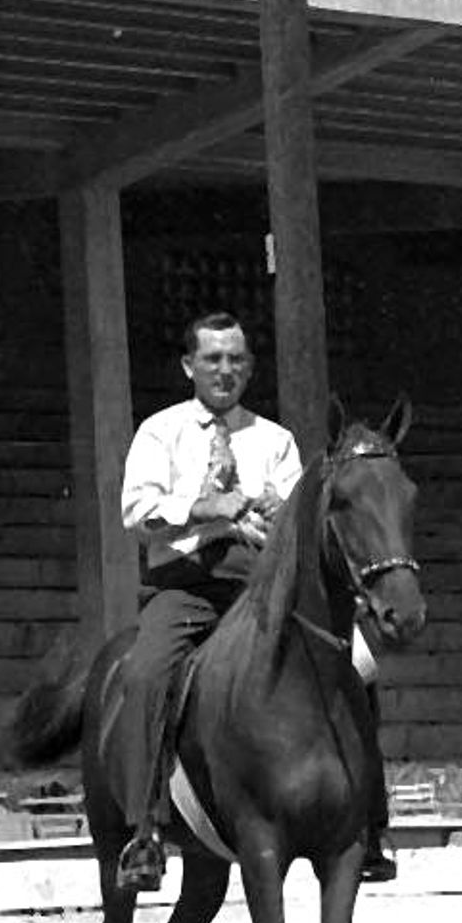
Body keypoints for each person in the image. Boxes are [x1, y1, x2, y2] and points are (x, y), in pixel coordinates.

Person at [107, 308, 390, 891]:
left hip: (261, 588)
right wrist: (204, 507)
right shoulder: (161, 433)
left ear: (250, 368)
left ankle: (369, 821)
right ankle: (145, 829)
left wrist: (276, 516)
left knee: (361, 662)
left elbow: (301, 522)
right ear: (189, 365)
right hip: (186, 584)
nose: (225, 370)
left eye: (236, 359)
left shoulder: (276, 441)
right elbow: (136, 511)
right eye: (212, 358)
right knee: (143, 672)